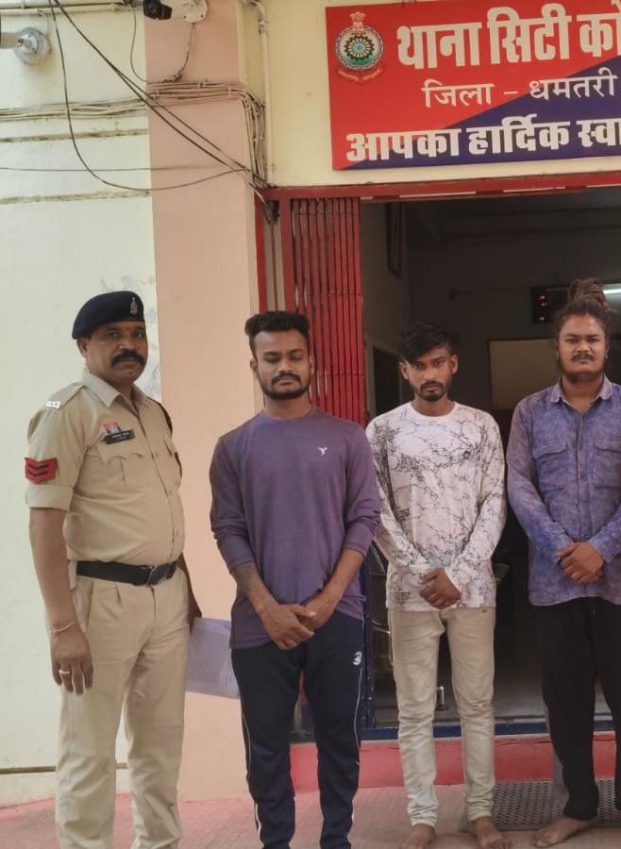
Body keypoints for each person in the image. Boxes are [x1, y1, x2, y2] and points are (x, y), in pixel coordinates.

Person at [25, 290, 201, 849]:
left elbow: (162, 506)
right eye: (113, 336)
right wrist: (63, 626)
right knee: (90, 751)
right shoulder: (66, 413)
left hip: (166, 597)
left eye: (137, 334)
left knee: (160, 747)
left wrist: (186, 588)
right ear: (84, 345)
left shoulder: (153, 413)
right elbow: (44, 525)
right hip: (101, 603)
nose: (130, 345)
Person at [209, 310, 380, 849]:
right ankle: (276, 842)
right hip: (260, 626)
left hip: (337, 617)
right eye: (272, 358)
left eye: (294, 356)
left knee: (339, 739)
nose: (284, 366)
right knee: (265, 749)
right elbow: (228, 529)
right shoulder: (233, 447)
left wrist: (331, 596)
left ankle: (336, 839)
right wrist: (266, 607)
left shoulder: (347, 439)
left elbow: (364, 520)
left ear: (311, 362)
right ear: (254, 366)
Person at [506, 279, 621, 849]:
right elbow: (518, 486)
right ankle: (577, 805)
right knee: (565, 701)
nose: (582, 348)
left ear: (605, 347)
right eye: (572, 339)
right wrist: (563, 548)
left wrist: (601, 548)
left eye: (592, 340)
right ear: (556, 347)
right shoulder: (529, 413)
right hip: (555, 584)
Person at [366, 323, 509, 849]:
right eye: (420, 366)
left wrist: (460, 573)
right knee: (414, 710)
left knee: (477, 704)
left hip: (473, 590)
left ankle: (481, 812)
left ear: (454, 365)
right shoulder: (382, 431)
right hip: (410, 593)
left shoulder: (480, 427)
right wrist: (423, 573)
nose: (430, 374)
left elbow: (495, 503)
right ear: (405, 371)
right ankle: (422, 817)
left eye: (439, 363)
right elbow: (376, 511)